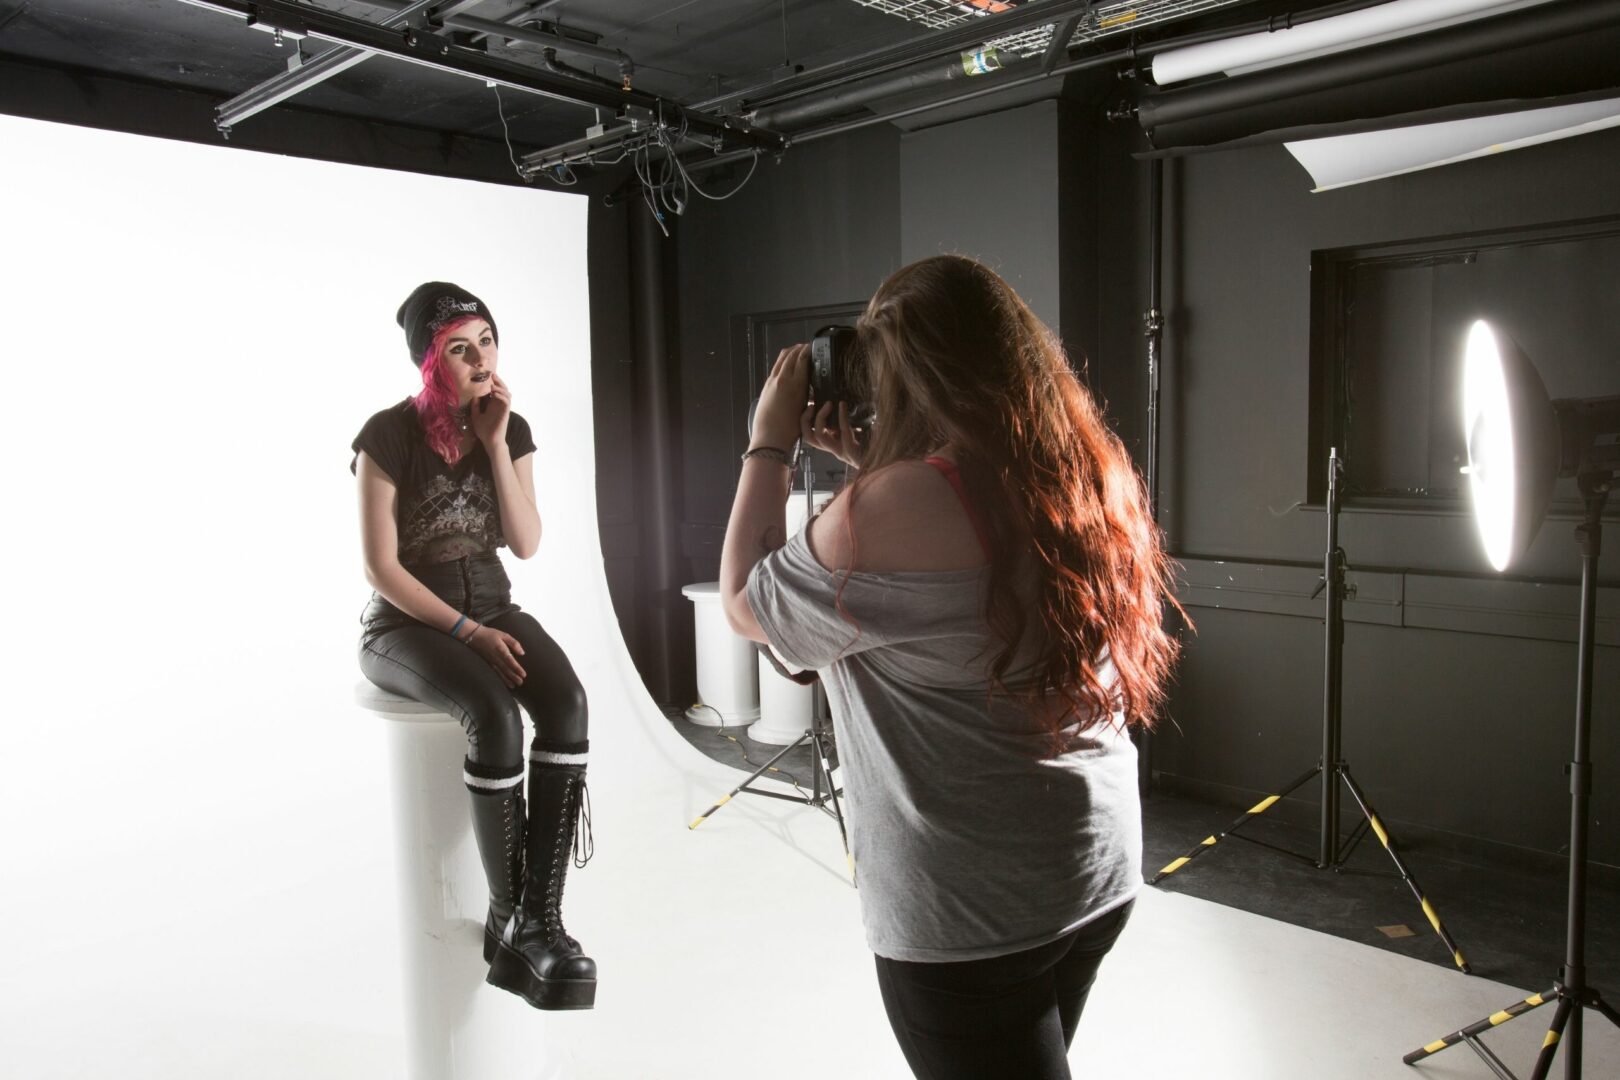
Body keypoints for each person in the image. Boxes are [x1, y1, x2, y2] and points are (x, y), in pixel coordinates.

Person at [719, 256, 1182, 1078]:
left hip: (973, 914)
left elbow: (746, 604)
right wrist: (874, 468)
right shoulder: (1070, 465)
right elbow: (968, 569)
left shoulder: (889, 507)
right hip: (1091, 868)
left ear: (904, 374)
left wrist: (769, 440)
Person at [351, 282, 596, 1011]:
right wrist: (467, 634)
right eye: (460, 348)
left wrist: (494, 442)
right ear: (431, 360)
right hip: (405, 625)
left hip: (493, 600)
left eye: (487, 340)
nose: (480, 359)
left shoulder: (508, 429)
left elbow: (525, 542)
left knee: (568, 704)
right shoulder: (386, 435)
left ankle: (537, 920)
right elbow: (380, 567)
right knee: (493, 714)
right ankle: (511, 914)